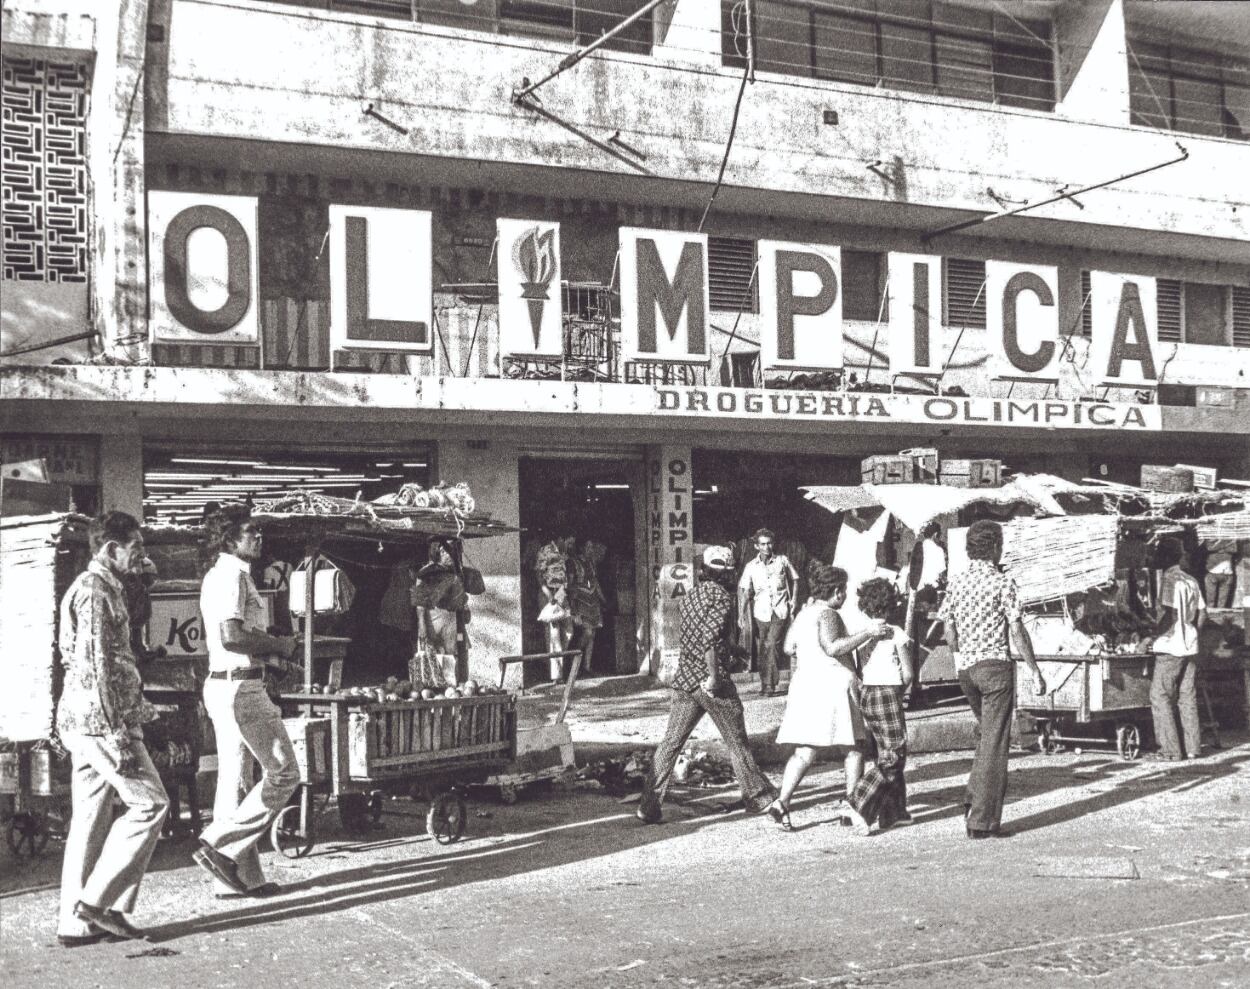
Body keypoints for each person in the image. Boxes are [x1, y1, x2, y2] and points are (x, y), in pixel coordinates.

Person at [55, 512, 169, 945]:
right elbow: (95, 666)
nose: (141, 557)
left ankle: (76, 923)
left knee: (89, 820)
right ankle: (100, 904)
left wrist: (144, 580)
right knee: (150, 804)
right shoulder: (93, 592)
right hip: (102, 721)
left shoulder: (109, 588)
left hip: (88, 721)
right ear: (109, 549)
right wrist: (115, 731)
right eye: (135, 549)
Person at [193, 507, 301, 897]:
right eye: (250, 532)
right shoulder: (232, 575)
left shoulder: (225, 574)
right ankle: (220, 843)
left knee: (237, 782)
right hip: (241, 689)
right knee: (286, 773)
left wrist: (272, 657)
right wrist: (280, 644)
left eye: (259, 531)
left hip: (228, 684)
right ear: (229, 538)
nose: (259, 537)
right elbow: (232, 636)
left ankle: (238, 879)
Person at [638, 545, 778, 824]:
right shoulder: (722, 598)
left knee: (671, 743)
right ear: (726, 574)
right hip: (711, 682)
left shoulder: (692, 595)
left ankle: (648, 805)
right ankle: (758, 796)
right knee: (736, 741)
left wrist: (733, 649)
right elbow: (710, 640)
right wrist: (714, 676)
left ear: (703, 570)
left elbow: (703, 634)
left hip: (686, 678)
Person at [764, 562, 890, 834]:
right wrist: (868, 633)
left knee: (806, 750)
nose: (844, 595)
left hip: (807, 684)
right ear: (835, 591)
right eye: (842, 590)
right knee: (853, 747)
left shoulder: (804, 613)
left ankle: (782, 802)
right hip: (832, 685)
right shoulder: (829, 614)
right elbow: (833, 647)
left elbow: (788, 647)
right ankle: (851, 805)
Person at [938, 520, 1045, 839]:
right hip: (995, 669)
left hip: (966, 670)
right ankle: (981, 821)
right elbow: (1016, 629)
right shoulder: (1002, 583)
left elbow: (949, 630)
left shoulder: (956, 582)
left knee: (986, 737)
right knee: (995, 745)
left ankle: (972, 798)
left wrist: (962, 655)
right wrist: (1034, 668)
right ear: (995, 547)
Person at [846, 578, 913, 833]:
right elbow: (907, 674)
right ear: (891, 605)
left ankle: (893, 812)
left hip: (867, 694)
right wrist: (900, 693)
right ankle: (857, 802)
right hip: (887, 692)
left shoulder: (861, 634)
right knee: (894, 755)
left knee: (883, 750)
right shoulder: (897, 633)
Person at [1149, 537, 1206, 761]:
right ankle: (1193, 748)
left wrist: (1150, 637)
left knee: (1160, 696)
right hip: (1190, 646)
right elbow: (1203, 614)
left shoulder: (1169, 579)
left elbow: (1169, 616)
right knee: (1187, 698)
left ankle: (1170, 751)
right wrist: (1192, 633)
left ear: (1164, 557)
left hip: (1170, 646)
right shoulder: (1191, 579)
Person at [738, 527, 800, 696]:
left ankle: (769, 685)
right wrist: (741, 615)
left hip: (780, 611)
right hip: (761, 612)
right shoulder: (751, 566)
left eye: (769, 543)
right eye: (763, 544)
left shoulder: (782, 560)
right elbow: (745, 591)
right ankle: (765, 681)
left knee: (771, 644)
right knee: (763, 648)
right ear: (757, 546)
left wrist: (793, 600)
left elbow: (795, 579)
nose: (767, 547)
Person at [412, 540, 471, 684]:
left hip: (451, 622)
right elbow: (420, 602)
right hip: (432, 621)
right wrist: (422, 625)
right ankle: (430, 689)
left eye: (451, 551)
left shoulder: (456, 572)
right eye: (444, 552)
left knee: (451, 656)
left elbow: (460, 600)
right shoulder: (426, 572)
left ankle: (450, 687)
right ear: (436, 553)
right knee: (429, 657)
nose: (449, 555)